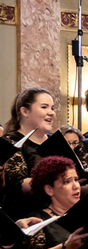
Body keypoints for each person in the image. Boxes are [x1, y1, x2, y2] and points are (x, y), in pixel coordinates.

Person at [3, 88, 58, 217]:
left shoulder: (55, 141)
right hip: (25, 214)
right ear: (25, 111)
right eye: (44, 107)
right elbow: (18, 184)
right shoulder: (10, 141)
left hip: (56, 211)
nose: (51, 113)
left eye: (52, 108)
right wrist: (56, 181)